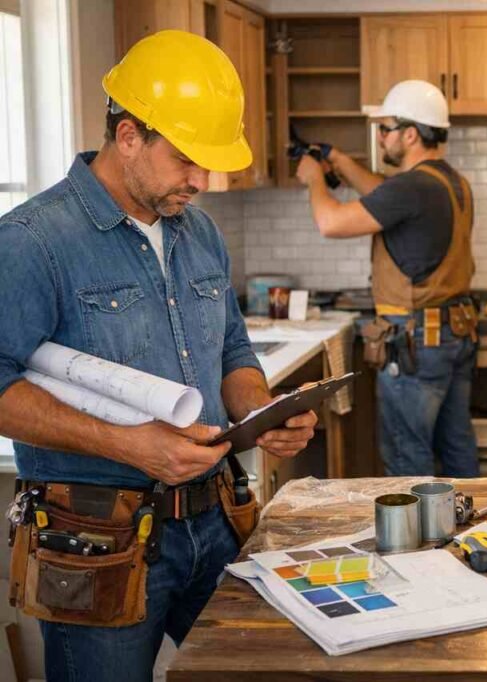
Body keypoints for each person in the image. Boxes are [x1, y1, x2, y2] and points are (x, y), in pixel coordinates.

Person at [0, 31, 317, 681]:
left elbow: (230, 347)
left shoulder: (198, 230)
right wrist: (132, 445)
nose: (200, 182)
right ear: (127, 137)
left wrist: (262, 409)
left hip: (215, 522)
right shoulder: (32, 241)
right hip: (96, 544)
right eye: (185, 160)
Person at [294, 79, 478, 477]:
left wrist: (313, 178)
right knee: (456, 449)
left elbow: (331, 222)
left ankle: (418, 542)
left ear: (410, 133)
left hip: (414, 343)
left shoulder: (412, 187)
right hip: (452, 334)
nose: (379, 137)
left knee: (407, 456)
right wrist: (340, 161)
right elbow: (385, 194)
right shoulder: (446, 181)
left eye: (385, 128)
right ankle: (473, 534)